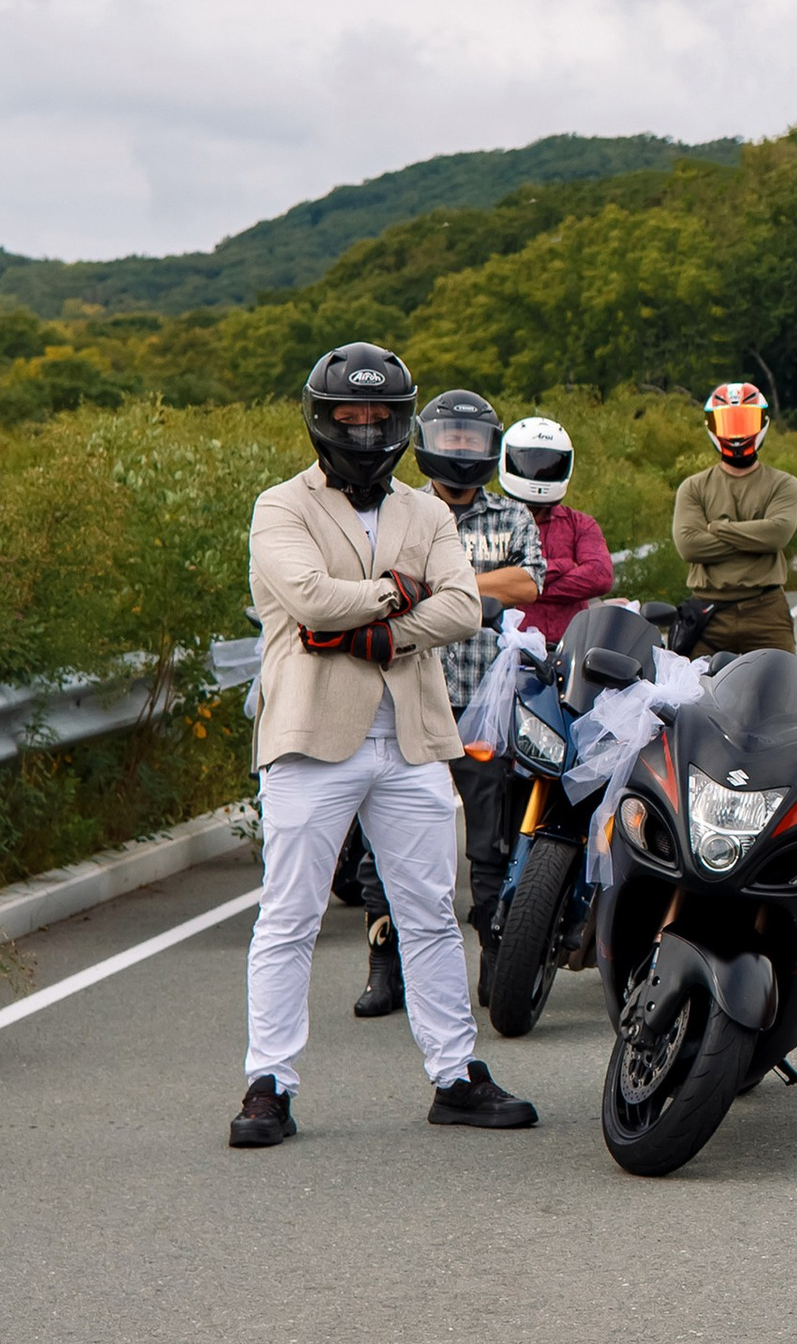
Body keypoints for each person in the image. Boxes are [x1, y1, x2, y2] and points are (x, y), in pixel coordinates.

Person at [230, 342, 536, 1145]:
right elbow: (307, 598)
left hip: (410, 737)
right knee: (289, 916)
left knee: (430, 914)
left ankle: (455, 1075)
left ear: (401, 423)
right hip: (309, 736)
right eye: (349, 416)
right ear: (321, 419)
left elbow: (463, 608)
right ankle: (268, 1084)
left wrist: (372, 634)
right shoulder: (280, 506)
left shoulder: (426, 512)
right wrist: (400, 593)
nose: (365, 430)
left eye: (379, 417)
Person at [413, 388, 544, 987]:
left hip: (485, 701)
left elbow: (529, 583)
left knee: (489, 842)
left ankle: (495, 960)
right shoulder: (403, 509)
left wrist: (447, 582)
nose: (461, 449)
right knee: (401, 839)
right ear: (427, 443)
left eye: (472, 440)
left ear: (490, 448)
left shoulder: (512, 515)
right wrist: (484, 584)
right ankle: (386, 966)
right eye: (451, 438)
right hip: (415, 696)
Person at [671, 380, 797, 654]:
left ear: (762, 423)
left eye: (745, 422)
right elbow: (689, 546)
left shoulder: (783, 483)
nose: (737, 434)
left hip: (765, 609)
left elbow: (776, 535)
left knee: (784, 679)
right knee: (690, 681)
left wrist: (716, 528)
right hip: (707, 613)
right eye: (728, 424)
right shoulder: (694, 487)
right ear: (712, 427)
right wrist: (754, 539)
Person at [500, 414, 616, 651]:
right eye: (530, 462)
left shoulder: (579, 523)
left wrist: (522, 587)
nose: (539, 472)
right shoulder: (492, 521)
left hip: (570, 649)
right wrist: (563, 565)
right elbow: (484, 579)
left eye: (549, 465)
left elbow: (600, 576)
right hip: (508, 648)